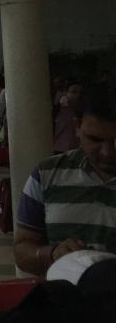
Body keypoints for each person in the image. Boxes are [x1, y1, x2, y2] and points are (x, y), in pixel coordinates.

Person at [15, 82, 116, 275]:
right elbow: (22, 251)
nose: (108, 152)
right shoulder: (47, 174)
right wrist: (52, 254)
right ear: (77, 126)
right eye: (95, 139)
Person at [54, 78, 81, 153]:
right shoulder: (63, 108)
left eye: (80, 92)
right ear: (66, 93)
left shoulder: (82, 110)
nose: (78, 95)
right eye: (74, 92)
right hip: (62, 146)